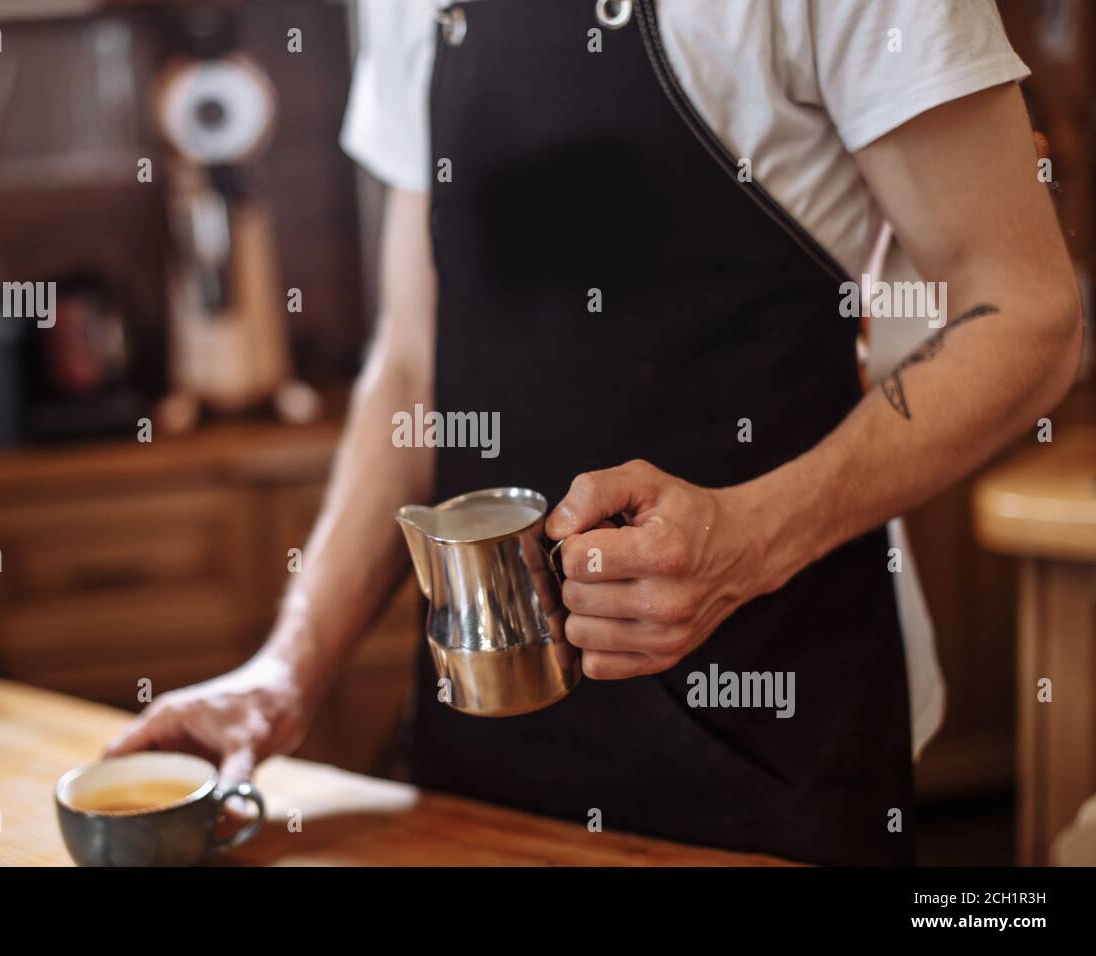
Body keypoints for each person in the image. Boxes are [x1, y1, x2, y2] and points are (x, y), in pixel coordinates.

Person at [109, 0, 1083, 864]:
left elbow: (1028, 312)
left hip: (771, 730)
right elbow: (413, 363)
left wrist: (748, 537)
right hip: (484, 747)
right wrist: (287, 671)